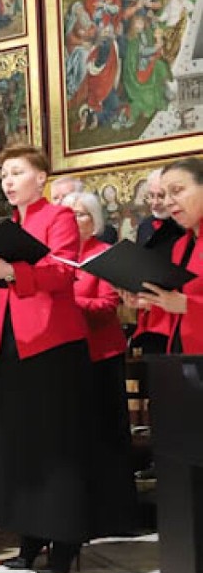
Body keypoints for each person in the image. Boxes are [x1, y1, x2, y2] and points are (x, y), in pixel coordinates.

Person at [0, 145, 104, 573]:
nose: (7, 181)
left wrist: (10, 274)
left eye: (17, 172)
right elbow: (6, 289)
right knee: (20, 446)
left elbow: (63, 273)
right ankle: (29, 539)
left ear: (40, 177)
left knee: (54, 444)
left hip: (51, 342)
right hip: (12, 342)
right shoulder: (11, 225)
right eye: (4, 174)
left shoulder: (58, 218)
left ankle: (64, 541)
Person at [64, 191, 136, 534]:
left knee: (107, 435)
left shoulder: (103, 255)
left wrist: (67, 302)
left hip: (101, 355)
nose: (74, 220)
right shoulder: (58, 258)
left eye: (81, 214)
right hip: (69, 355)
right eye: (68, 214)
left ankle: (115, 516)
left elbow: (107, 307)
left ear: (94, 221)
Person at [135, 157, 203, 354]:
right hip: (184, 351)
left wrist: (188, 305)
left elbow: (185, 303)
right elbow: (177, 302)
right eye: (164, 195)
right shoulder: (181, 245)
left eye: (177, 191)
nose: (167, 202)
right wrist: (151, 302)